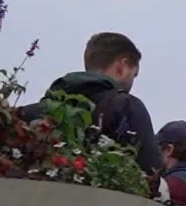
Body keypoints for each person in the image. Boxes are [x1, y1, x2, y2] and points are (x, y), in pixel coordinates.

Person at [31, 31, 163, 176]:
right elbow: (151, 174)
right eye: (134, 74)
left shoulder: (36, 112)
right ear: (123, 66)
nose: (132, 82)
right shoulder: (127, 107)